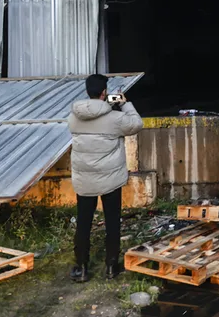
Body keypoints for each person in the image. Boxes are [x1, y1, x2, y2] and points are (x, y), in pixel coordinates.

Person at [68, 74, 144, 282]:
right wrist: (125, 104)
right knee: (112, 222)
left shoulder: (74, 117)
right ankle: (111, 267)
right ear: (104, 93)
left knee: (84, 222)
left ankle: (82, 268)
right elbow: (136, 124)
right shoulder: (115, 118)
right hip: (110, 179)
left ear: (87, 92)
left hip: (85, 179)